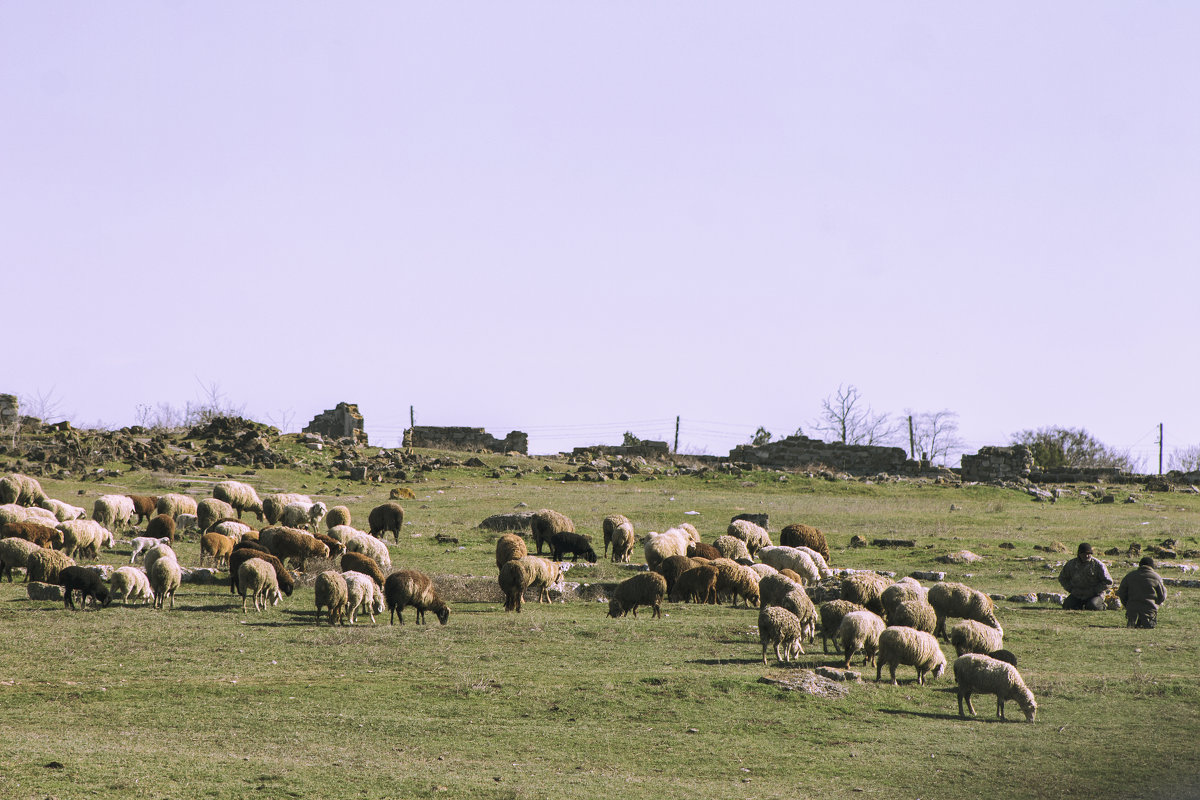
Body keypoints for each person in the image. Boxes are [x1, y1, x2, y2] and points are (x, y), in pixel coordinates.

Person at [1058, 542, 1113, 611]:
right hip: (1077, 594)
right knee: (1067, 606)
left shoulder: (1098, 565)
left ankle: (1103, 605)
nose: (1087, 556)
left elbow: (1108, 582)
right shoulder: (1071, 564)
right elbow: (1062, 578)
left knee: (1093, 606)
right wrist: (1071, 589)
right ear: (1079, 554)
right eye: (1084, 554)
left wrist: (1094, 590)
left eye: (1089, 554)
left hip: (1095, 594)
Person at [1117, 556, 1167, 628]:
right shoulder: (1156, 577)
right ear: (1152, 566)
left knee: (1132, 621)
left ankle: (1134, 620)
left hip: (1132, 610)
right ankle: (1144, 620)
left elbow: (1121, 592)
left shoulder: (1130, 576)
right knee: (1148, 624)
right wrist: (1156, 605)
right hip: (1149, 611)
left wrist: (1127, 605)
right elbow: (1162, 596)